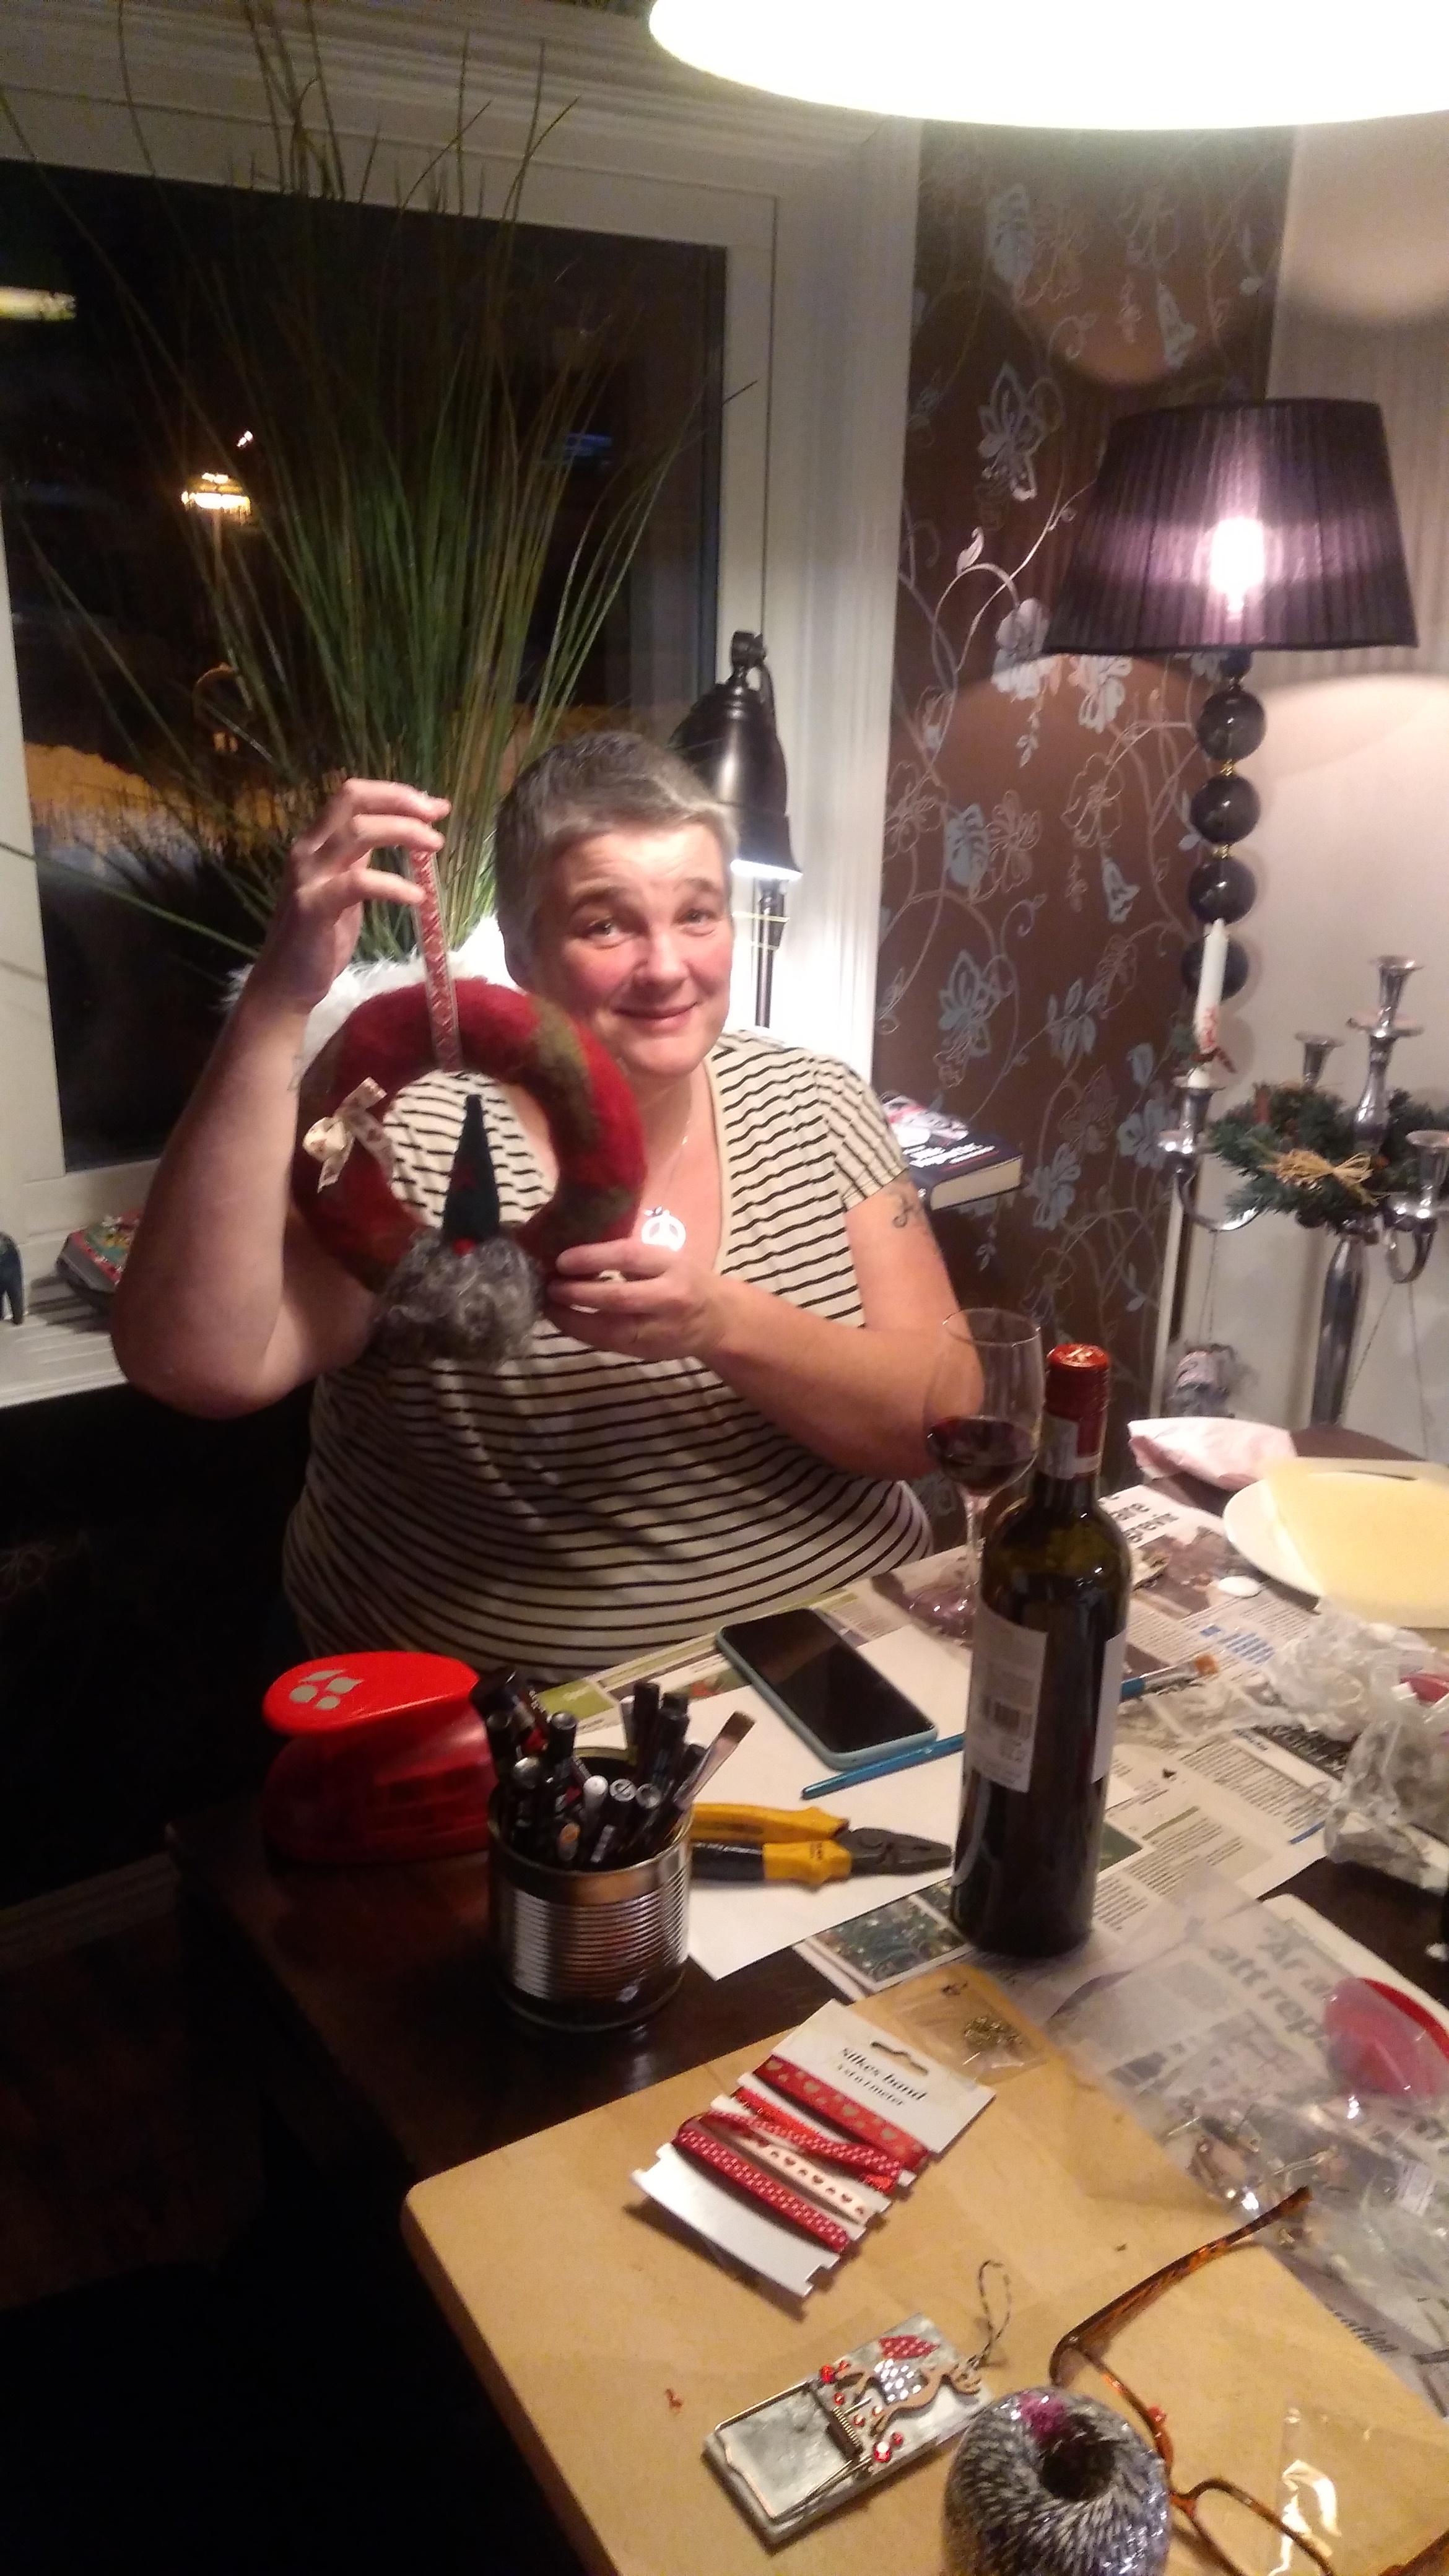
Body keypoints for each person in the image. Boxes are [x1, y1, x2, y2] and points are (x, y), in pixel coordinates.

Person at [113, 733, 977, 1680]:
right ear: (521, 953)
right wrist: (277, 999)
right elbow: (200, 1364)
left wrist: (723, 1323)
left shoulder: (818, 1100)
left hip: (851, 1659)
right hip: (518, 1714)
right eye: (606, 925)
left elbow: (944, 1415)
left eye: (698, 914)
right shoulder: (411, 1134)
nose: (666, 966)